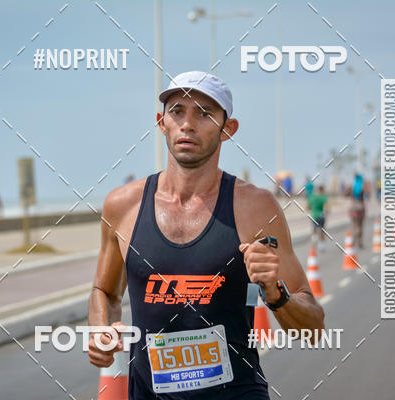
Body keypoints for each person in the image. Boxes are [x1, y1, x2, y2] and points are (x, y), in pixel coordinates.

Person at [87, 71, 325, 399]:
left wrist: (274, 292)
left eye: (204, 114)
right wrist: (101, 329)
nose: (187, 124)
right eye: (177, 111)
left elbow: (313, 329)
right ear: (161, 123)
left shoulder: (256, 208)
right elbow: (104, 290)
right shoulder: (122, 206)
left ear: (228, 129)